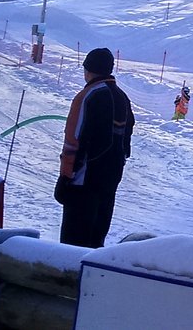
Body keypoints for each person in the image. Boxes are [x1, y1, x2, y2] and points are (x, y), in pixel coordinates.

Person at [56, 48, 136, 248]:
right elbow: (127, 136)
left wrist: (65, 176)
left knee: (72, 245)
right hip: (110, 180)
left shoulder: (88, 96)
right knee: (95, 242)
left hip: (83, 182)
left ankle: (69, 278)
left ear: (88, 70)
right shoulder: (122, 97)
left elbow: (73, 140)